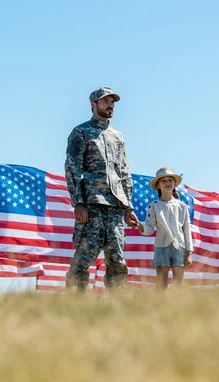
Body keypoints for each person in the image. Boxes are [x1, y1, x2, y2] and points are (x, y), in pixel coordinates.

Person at [64, 86, 139, 292]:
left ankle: (117, 303)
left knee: (117, 259)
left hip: (115, 207)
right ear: (93, 105)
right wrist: (78, 202)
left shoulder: (117, 136)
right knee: (84, 257)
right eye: (105, 101)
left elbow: (124, 172)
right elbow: (73, 168)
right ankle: (75, 301)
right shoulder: (80, 132)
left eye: (112, 102)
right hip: (91, 205)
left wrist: (128, 207)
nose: (110, 105)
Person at [137, 167, 193, 289]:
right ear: (158, 185)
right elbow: (149, 228)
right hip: (161, 246)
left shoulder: (182, 206)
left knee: (178, 283)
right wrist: (140, 226)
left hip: (180, 246)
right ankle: (160, 305)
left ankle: (176, 305)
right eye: (164, 181)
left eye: (170, 180)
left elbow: (187, 229)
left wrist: (189, 252)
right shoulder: (154, 206)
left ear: (174, 184)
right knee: (161, 283)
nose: (167, 183)